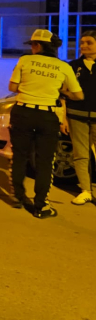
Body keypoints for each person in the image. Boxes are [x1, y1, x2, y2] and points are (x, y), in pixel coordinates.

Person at [8, 29, 83, 218]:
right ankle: (41, 206)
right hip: (47, 116)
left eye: (33, 44)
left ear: (38, 45)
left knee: (19, 156)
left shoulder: (24, 61)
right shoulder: (63, 66)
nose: (31, 48)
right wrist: (61, 91)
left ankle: (18, 196)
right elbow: (78, 95)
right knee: (45, 162)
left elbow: (12, 87)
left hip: (23, 112)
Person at [63, 30, 96, 206]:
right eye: (82, 42)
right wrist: (64, 118)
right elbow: (63, 93)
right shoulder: (73, 66)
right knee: (81, 154)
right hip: (76, 116)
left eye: (89, 42)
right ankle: (86, 191)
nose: (83, 46)